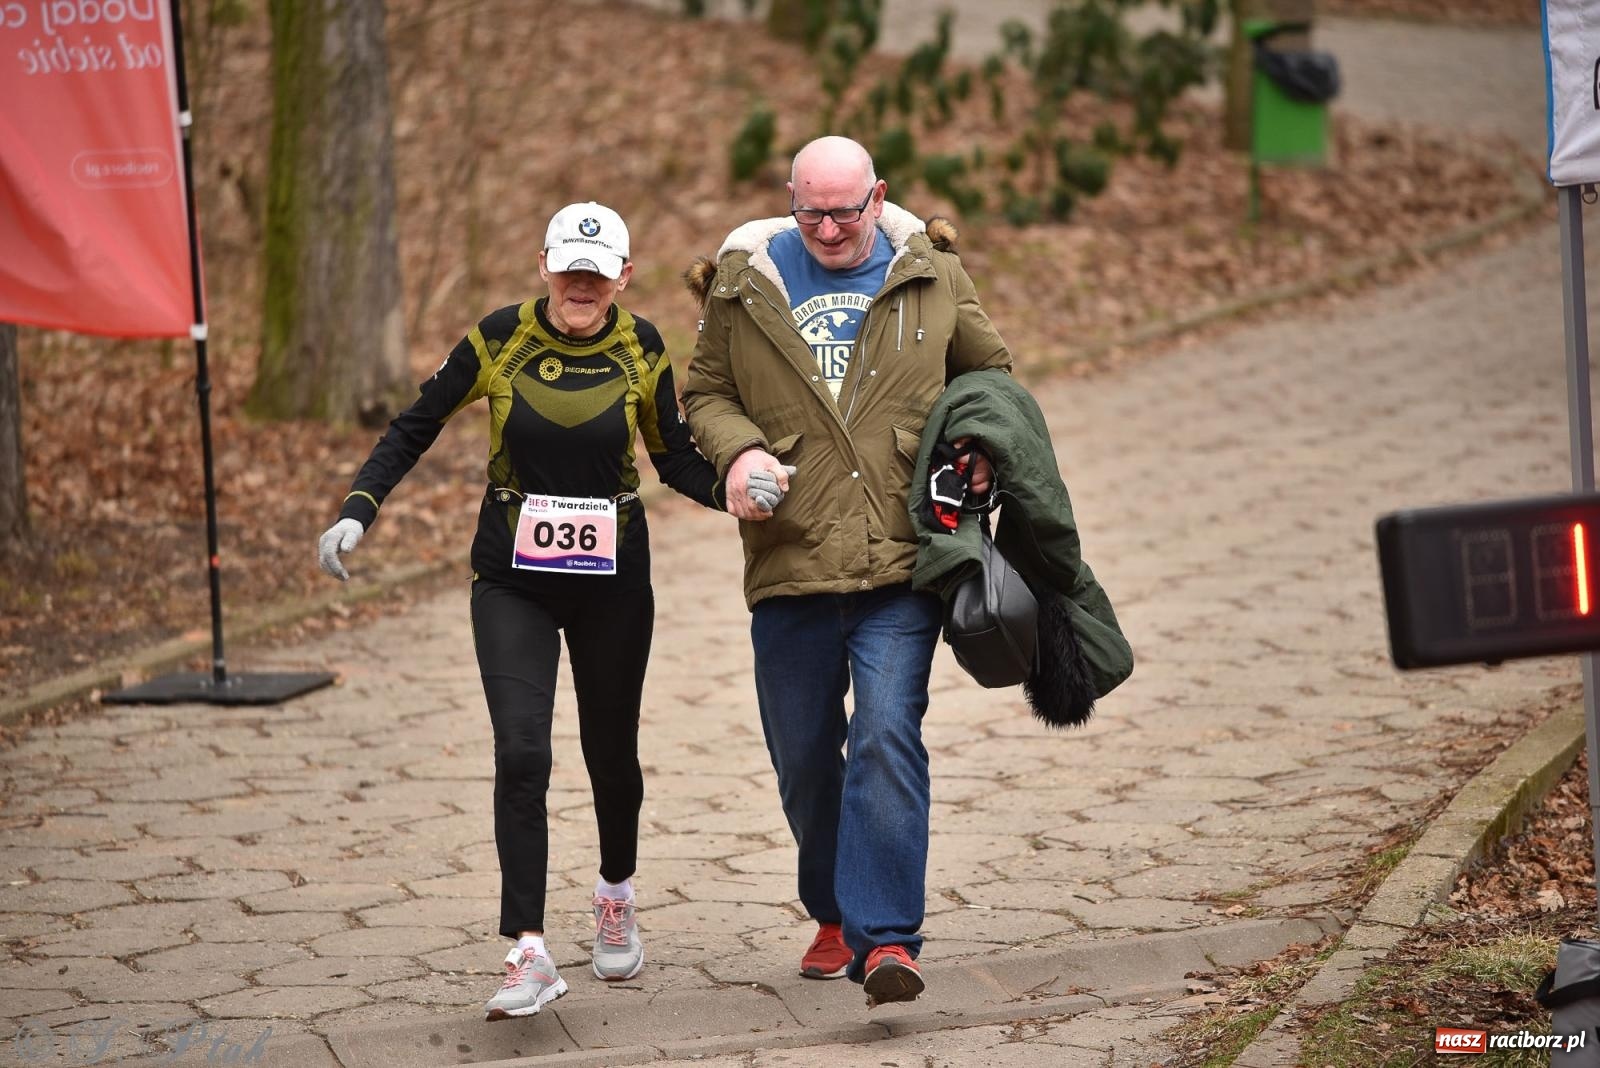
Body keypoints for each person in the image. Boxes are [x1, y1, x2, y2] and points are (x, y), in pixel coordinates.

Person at [316, 202, 781, 1022]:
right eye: (569, 268)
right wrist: (361, 505)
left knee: (610, 751)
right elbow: (416, 424)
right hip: (512, 579)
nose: (581, 283)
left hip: (611, 580)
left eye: (597, 274)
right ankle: (527, 950)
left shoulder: (641, 345)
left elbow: (671, 457)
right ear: (544, 265)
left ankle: (614, 894)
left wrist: (736, 493)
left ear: (622, 278)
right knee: (522, 748)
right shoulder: (498, 337)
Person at [681, 136, 1012, 1007]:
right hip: (790, 552)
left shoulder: (932, 273)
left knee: (885, 735)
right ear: (790, 202)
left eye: (845, 209)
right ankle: (832, 911)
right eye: (811, 211)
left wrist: (977, 444)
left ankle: (888, 940)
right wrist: (738, 453)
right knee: (804, 759)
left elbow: (991, 375)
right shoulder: (742, 283)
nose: (828, 228)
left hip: (901, 560)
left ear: (879, 197)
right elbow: (704, 392)